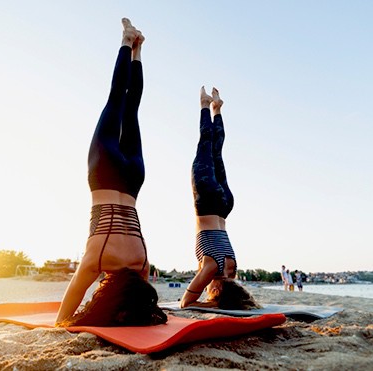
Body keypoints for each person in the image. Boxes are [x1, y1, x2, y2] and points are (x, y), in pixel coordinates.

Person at [55, 18, 167, 327]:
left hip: (133, 180)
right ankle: (125, 40)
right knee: (116, 100)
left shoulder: (143, 264)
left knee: (130, 109)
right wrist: (63, 323)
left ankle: (138, 51)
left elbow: (147, 295)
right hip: (104, 173)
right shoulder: (97, 261)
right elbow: (66, 310)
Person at [180, 87, 260, 310]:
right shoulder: (210, 267)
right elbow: (186, 303)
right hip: (207, 200)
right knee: (205, 144)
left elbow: (228, 291)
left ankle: (217, 109)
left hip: (225, 205)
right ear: (215, 291)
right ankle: (205, 105)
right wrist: (211, 305)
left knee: (217, 152)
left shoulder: (231, 266)